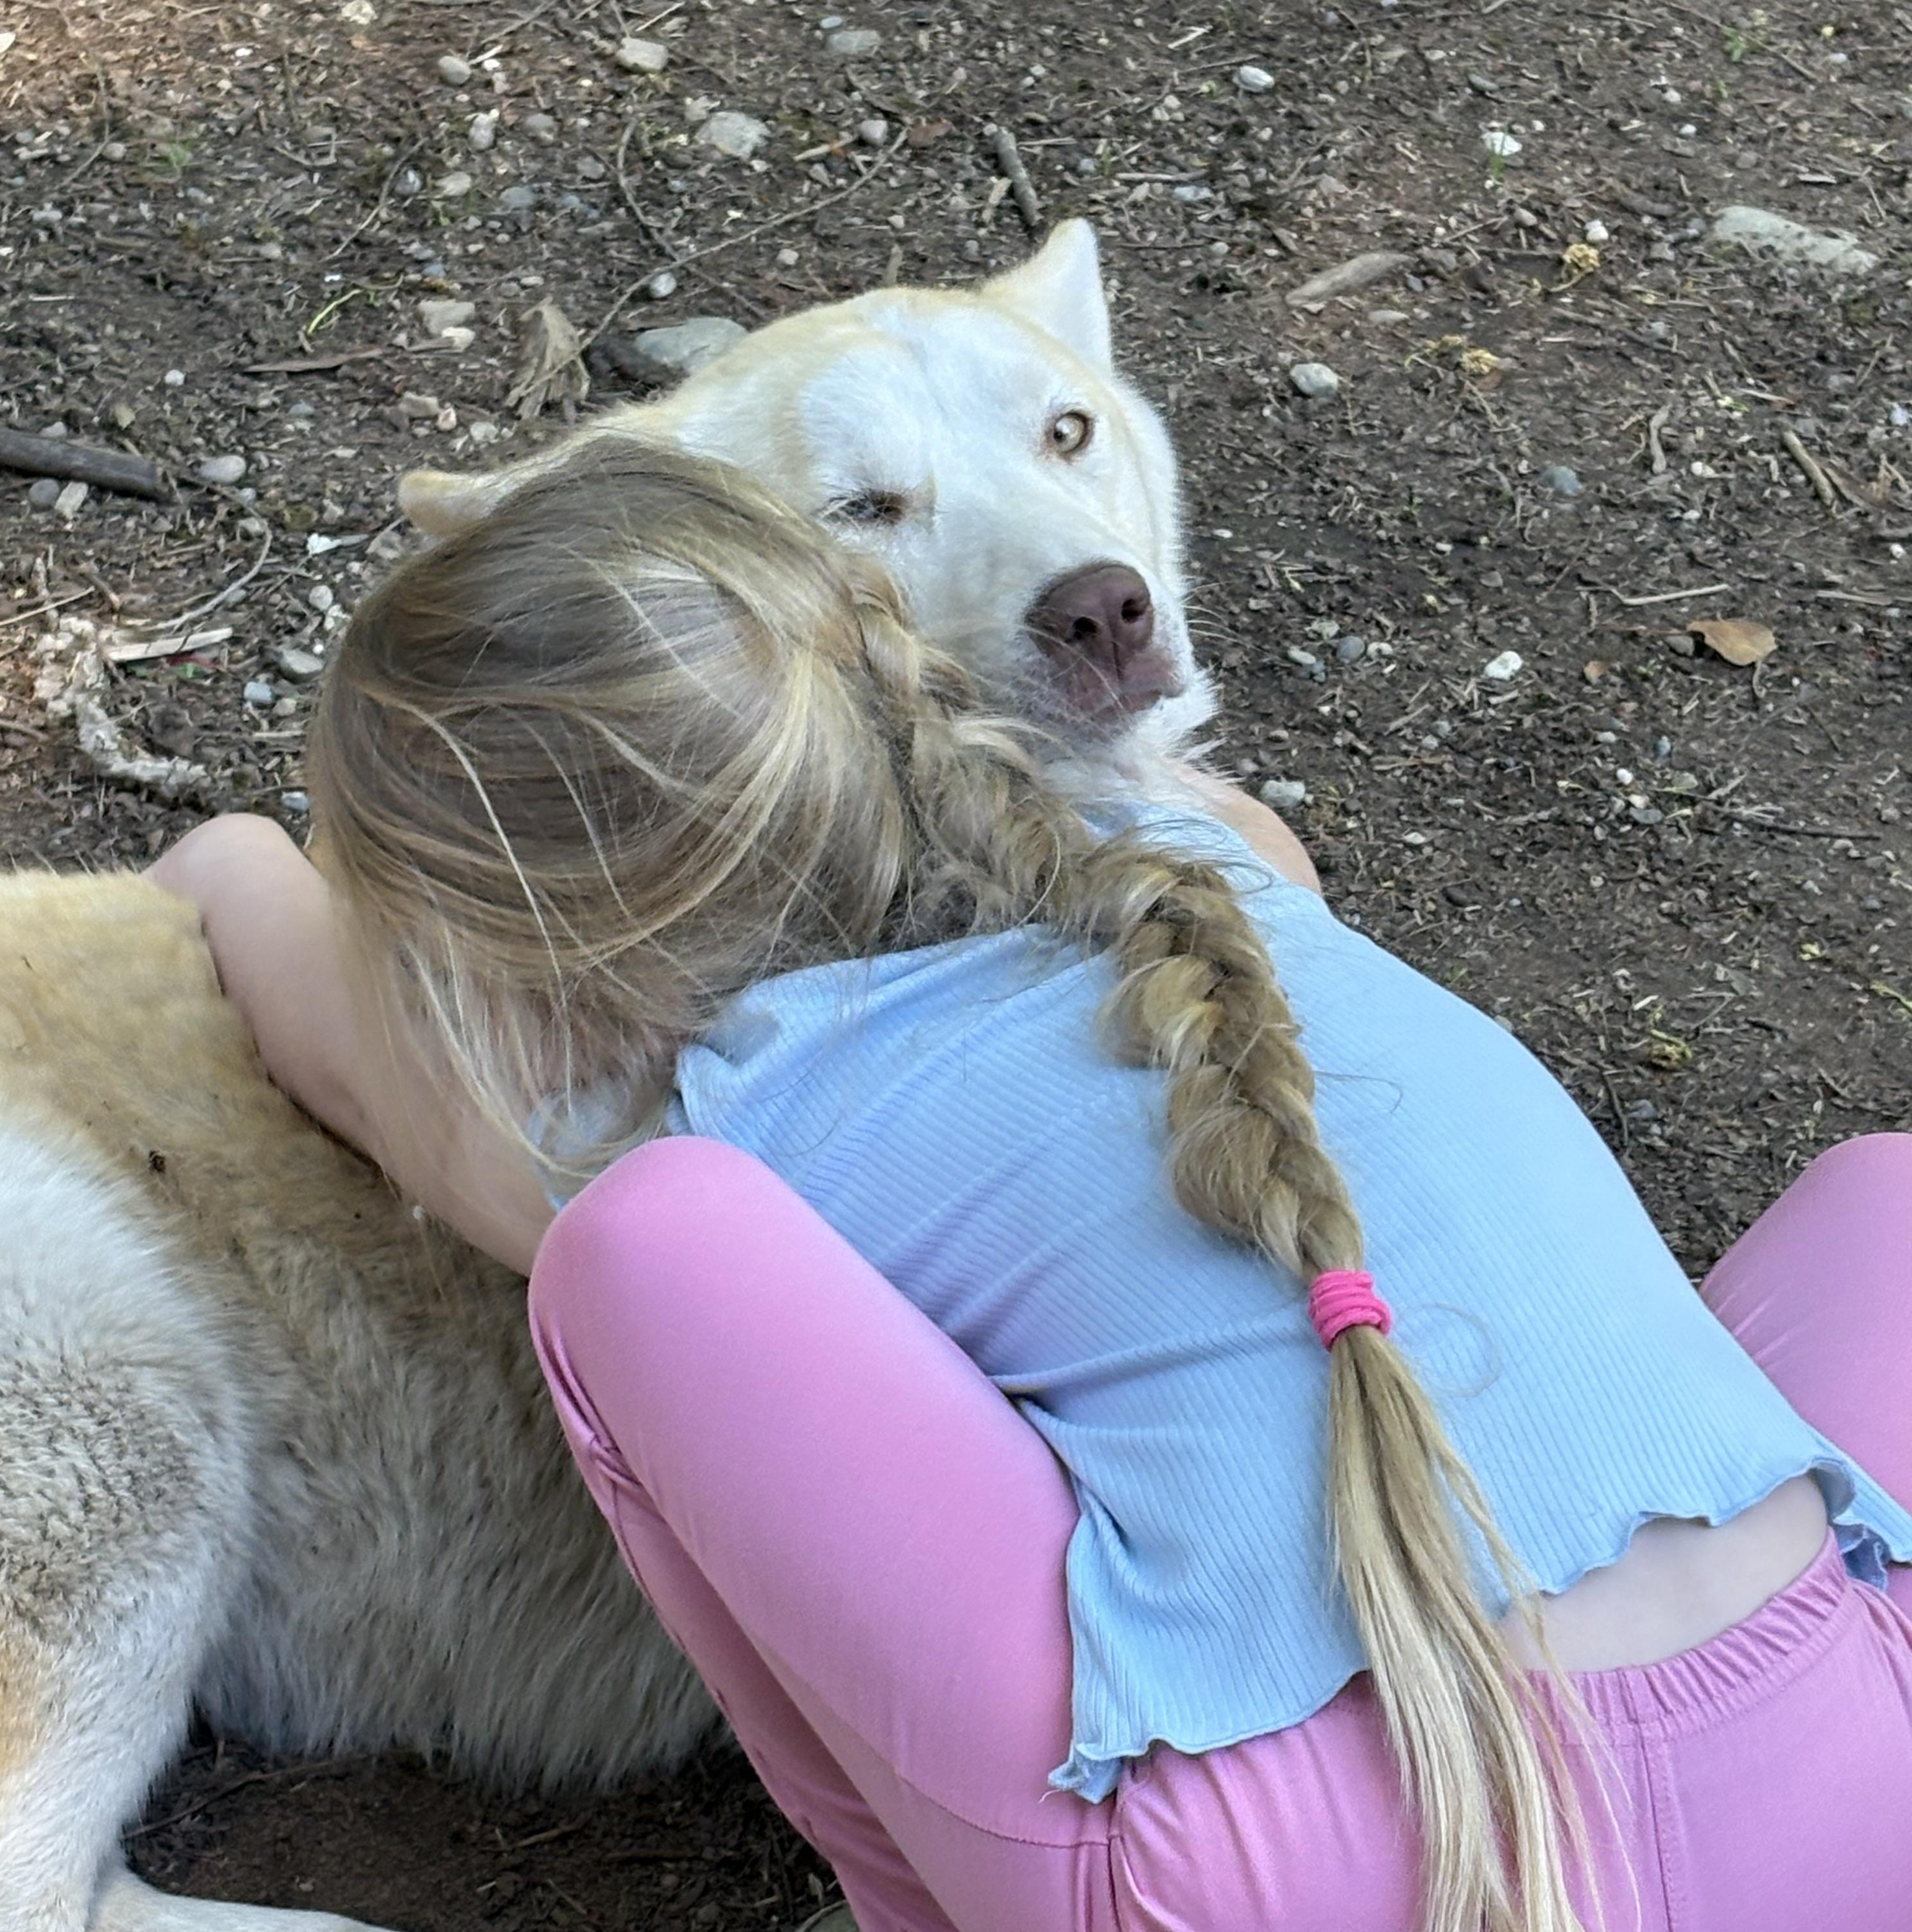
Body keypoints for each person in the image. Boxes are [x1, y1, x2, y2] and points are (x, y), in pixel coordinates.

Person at [151, 436, 1912, 1932]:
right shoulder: (1202, 873)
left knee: (631, 1255)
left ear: (503, 958)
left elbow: (417, 1116)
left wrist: (232, 866)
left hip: (1331, 1877)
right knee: (1881, 1197)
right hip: (1858, 1762)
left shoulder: (731, 1125)